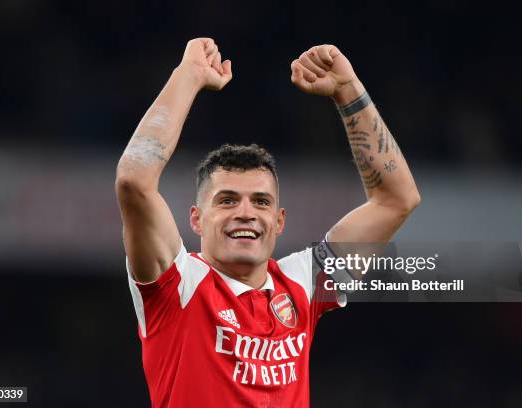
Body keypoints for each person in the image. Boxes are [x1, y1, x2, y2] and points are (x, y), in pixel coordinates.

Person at [115, 37, 420, 408]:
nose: (246, 212)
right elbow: (134, 182)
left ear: (278, 222)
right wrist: (188, 75)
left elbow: (396, 200)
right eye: (227, 200)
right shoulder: (177, 286)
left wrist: (347, 91)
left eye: (260, 202)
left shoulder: (302, 284)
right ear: (196, 219)